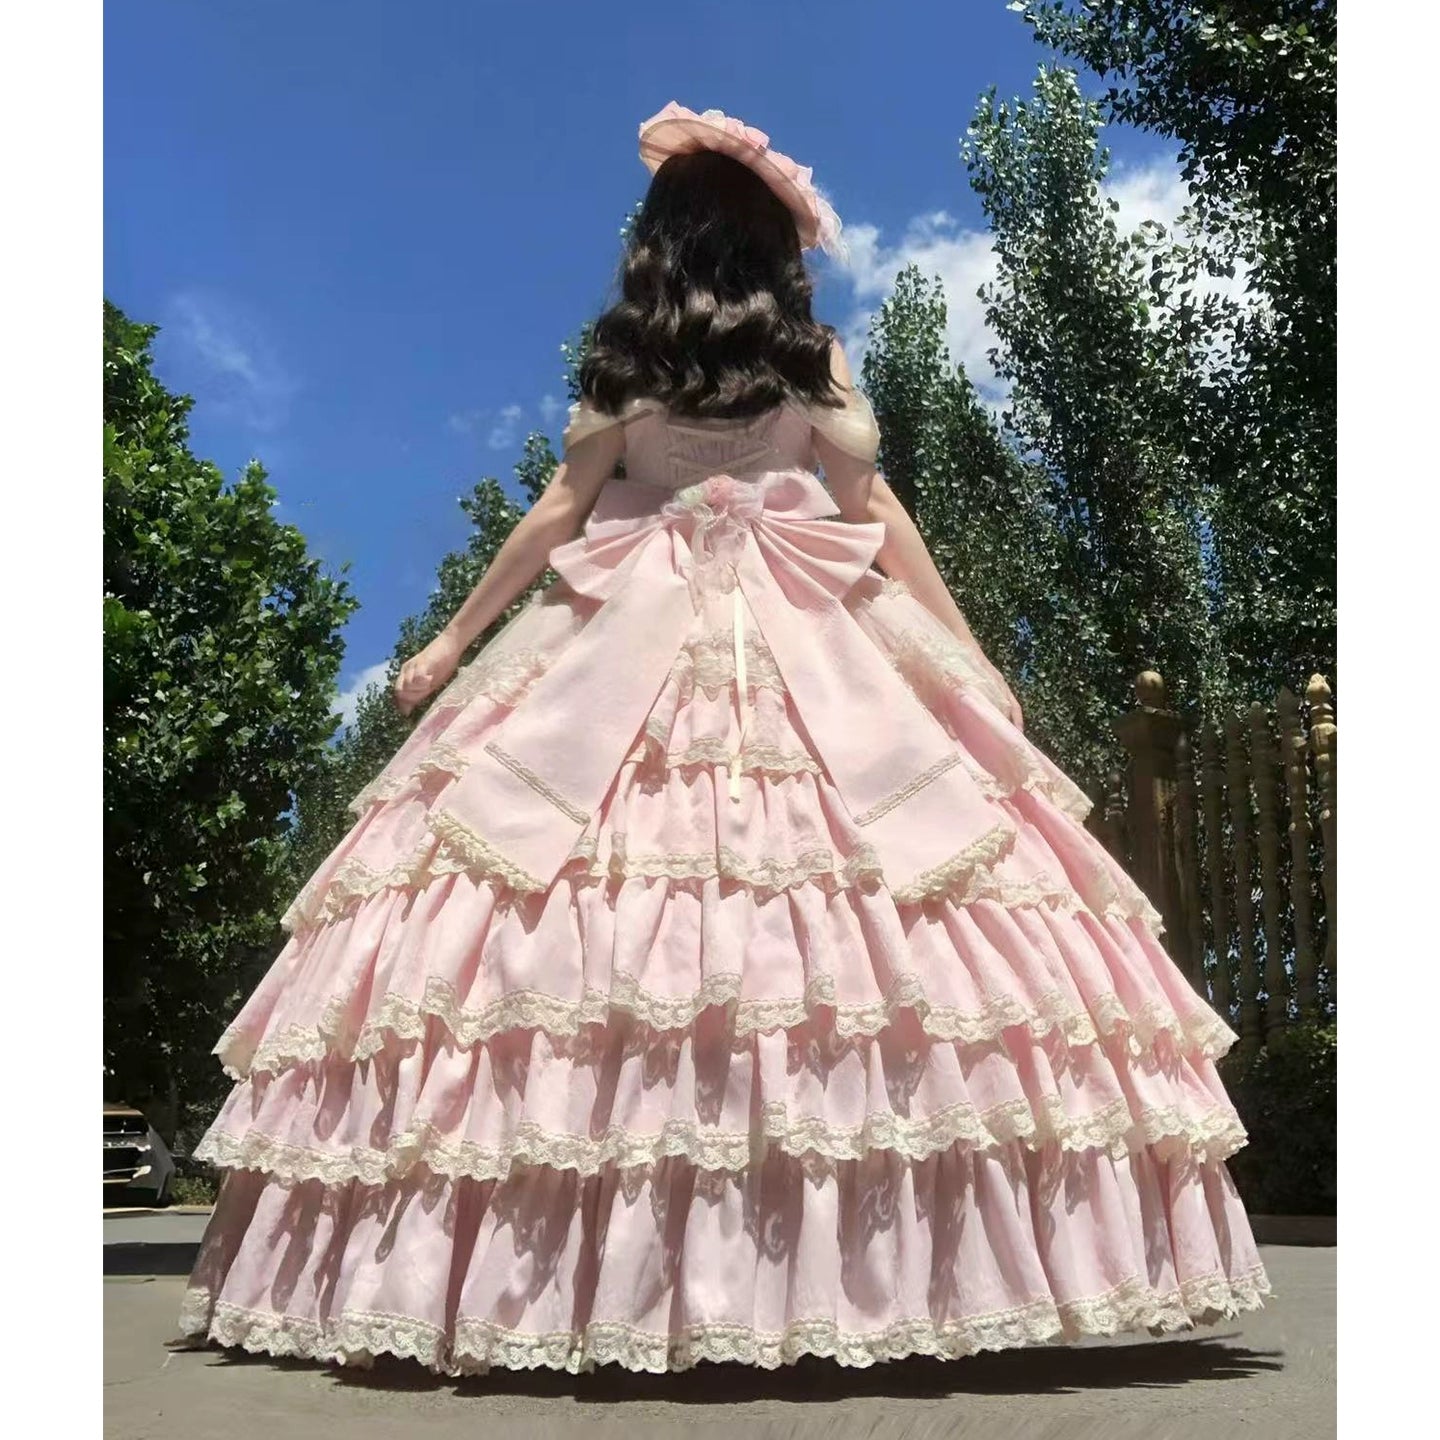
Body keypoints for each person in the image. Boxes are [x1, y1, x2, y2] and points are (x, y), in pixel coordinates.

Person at [177, 101, 1268, 1375]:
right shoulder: (809, 358)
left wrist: (455, 644)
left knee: (549, 915)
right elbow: (866, 506)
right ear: (767, 247)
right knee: (876, 917)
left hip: (630, 628)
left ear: (662, 244)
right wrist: (967, 654)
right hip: (805, 626)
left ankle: (558, 1276)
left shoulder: (629, 361)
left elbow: (568, 509)